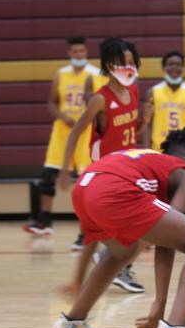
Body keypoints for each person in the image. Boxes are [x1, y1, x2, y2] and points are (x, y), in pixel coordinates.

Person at [48, 127, 185, 328]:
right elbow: (169, 239)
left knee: (123, 250)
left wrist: (160, 302)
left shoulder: (150, 162)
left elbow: (166, 239)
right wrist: (159, 304)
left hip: (85, 187)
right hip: (113, 189)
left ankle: (72, 324)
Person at [58, 37, 148, 295]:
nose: (129, 67)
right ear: (109, 65)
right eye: (123, 62)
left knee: (99, 231)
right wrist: (65, 169)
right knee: (135, 226)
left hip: (128, 167)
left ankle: (88, 276)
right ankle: (114, 266)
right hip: (105, 172)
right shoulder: (99, 99)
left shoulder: (132, 91)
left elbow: (129, 131)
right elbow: (75, 133)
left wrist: (144, 121)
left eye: (132, 62)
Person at [24, 35, 105, 249]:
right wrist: (62, 116)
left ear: (86, 53)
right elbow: (51, 102)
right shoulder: (61, 75)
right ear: (69, 53)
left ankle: (85, 231)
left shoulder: (95, 74)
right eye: (75, 51)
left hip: (86, 132)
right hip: (62, 131)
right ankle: (45, 222)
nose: (79, 55)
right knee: (47, 177)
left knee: (86, 183)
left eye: (82, 51)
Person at [141, 50, 185, 220]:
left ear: (183, 67)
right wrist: (146, 148)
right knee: (159, 192)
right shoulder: (153, 93)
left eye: (178, 64)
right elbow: (147, 124)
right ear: (164, 68)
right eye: (170, 64)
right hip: (160, 150)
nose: (174, 68)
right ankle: (159, 231)